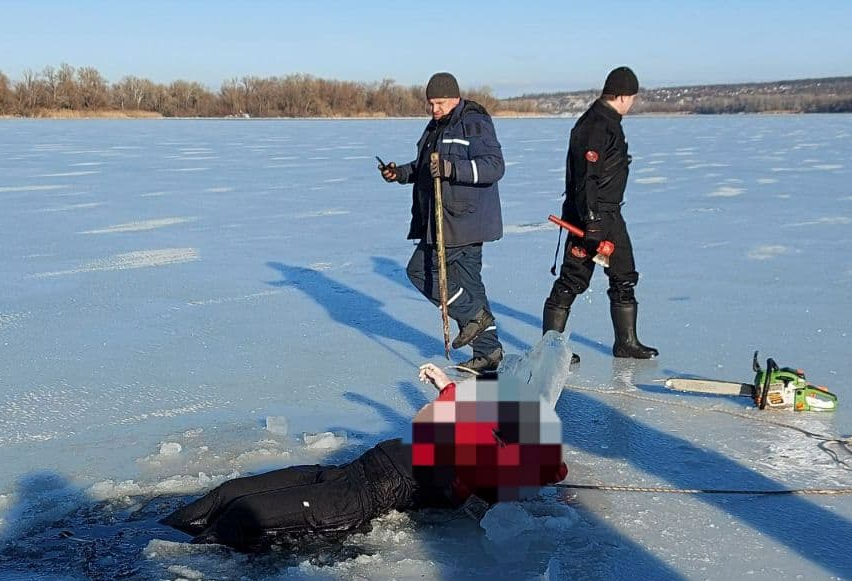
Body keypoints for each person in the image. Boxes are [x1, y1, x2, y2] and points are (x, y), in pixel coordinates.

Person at [161, 364, 566, 551]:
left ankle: (179, 536)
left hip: (370, 478)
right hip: (368, 478)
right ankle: (174, 540)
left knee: (268, 499)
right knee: (244, 502)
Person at [379, 72, 506, 374]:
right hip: (446, 220)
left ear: (454, 98)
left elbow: (494, 166)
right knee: (472, 286)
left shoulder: (473, 122)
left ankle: (476, 318)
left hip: (463, 220)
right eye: (430, 103)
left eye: (439, 103)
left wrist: (452, 168)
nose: (433, 109)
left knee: (420, 271)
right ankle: (489, 351)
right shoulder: (437, 126)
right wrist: (400, 174)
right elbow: (427, 167)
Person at [542, 66, 658, 364]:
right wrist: (592, 221)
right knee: (571, 280)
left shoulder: (609, 122)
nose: (632, 103)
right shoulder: (596, 126)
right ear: (622, 96)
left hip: (610, 217)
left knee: (624, 275)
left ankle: (626, 343)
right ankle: (550, 349)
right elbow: (585, 178)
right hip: (589, 217)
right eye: (631, 97)